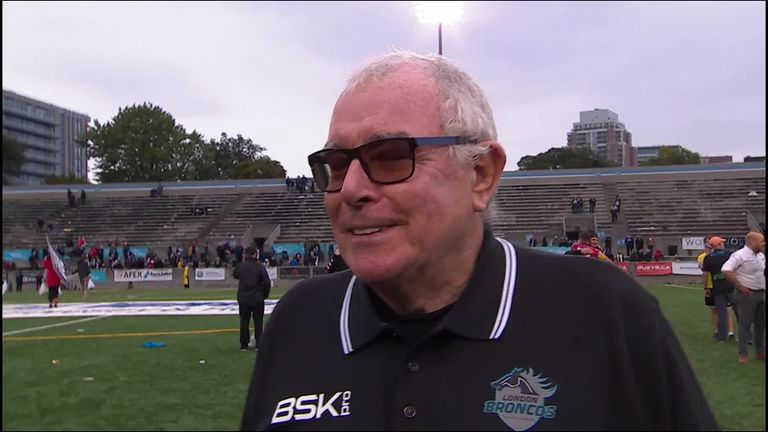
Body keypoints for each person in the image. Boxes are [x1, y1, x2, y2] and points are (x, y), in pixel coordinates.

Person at [240, 52, 716, 430]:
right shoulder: (298, 321)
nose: (351, 189)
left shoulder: (607, 312)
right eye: (337, 164)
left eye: (389, 157)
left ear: (481, 175)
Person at [722, 231, 766, 363]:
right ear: (751, 242)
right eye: (761, 241)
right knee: (745, 324)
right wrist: (739, 286)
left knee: (761, 324)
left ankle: (760, 352)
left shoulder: (761, 256)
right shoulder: (739, 255)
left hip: (761, 292)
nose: (763, 243)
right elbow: (726, 269)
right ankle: (743, 353)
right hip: (747, 294)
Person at [233, 246, 271, 351]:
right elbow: (267, 282)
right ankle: (259, 344)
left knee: (244, 321)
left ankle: (243, 344)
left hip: (243, 297)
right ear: (255, 254)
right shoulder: (259, 267)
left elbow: (235, 275)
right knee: (258, 322)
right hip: (257, 297)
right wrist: (265, 294)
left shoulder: (240, 266)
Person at [701, 237, 737, 343]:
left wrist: (706, 287)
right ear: (719, 244)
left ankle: (722, 337)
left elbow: (705, 273)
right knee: (739, 311)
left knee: (721, 313)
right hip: (731, 286)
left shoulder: (708, 257)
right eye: (722, 242)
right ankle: (747, 336)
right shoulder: (729, 254)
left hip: (717, 288)